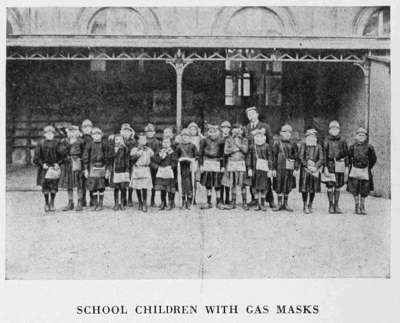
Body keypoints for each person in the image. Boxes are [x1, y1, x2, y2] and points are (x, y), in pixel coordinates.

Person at [243, 106, 276, 209]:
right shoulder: (246, 128)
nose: (251, 116)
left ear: (257, 114)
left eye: (252, 114)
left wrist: (269, 157)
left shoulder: (265, 126)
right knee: (253, 178)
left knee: (266, 179)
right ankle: (255, 199)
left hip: (263, 157)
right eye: (249, 115)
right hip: (252, 156)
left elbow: (270, 142)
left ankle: (270, 200)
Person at [347, 127, 377, 215]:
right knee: (354, 188)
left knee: (365, 188)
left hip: (365, 170)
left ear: (366, 137)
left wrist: (368, 167)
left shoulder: (369, 147)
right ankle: (356, 206)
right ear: (356, 136)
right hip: (355, 170)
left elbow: (373, 159)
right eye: (359, 135)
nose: (361, 137)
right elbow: (348, 157)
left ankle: (362, 206)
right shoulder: (352, 147)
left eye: (363, 135)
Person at [33, 125, 63, 212]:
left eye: (51, 133)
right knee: (45, 186)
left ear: (54, 134)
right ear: (44, 134)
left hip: (54, 167)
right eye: (47, 133)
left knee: (54, 186)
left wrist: (58, 163)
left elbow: (62, 155)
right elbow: (36, 157)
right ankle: (46, 203)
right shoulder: (40, 144)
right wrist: (42, 164)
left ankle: (52, 202)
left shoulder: (57, 143)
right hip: (44, 168)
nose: (49, 135)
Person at [323, 120, 349, 214]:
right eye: (332, 128)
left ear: (339, 129)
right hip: (330, 165)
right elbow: (324, 155)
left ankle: (336, 205)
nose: (334, 130)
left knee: (338, 186)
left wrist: (346, 167)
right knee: (330, 185)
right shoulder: (326, 140)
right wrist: (325, 167)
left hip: (340, 165)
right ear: (329, 130)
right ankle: (330, 205)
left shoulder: (343, 140)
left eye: (336, 128)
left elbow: (347, 155)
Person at [58, 125, 85, 211]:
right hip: (67, 164)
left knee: (79, 183)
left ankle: (80, 202)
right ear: (68, 133)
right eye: (70, 131)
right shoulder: (64, 141)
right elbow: (60, 152)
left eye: (74, 131)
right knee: (68, 183)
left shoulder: (81, 142)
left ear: (77, 132)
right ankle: (70, 202)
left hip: (77, 163)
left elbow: (84, 154)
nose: (72, 133)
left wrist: (83, 165)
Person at [82, 127, 110, 211]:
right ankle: (95, 204)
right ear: (92, 136)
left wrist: (108, 169)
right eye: (94, 134)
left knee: (101, 187)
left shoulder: (105, 144)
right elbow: (85, 157)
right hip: (92, 167)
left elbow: (107, 157)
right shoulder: (89, 144)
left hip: (102, 167)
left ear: (101, 135)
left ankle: (100, 204)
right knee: (93, 186)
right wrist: (86, 169)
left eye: (98, 134)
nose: (97, 136)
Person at [272, 124, 299, 212]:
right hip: (279, 169)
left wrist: (296, 168)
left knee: (288, 185)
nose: (287, 134)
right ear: (281, 133)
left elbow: (296, 157)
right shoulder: (277, 143)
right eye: (285, 132)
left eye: (289, 132)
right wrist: (273, 169)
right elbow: (273, 157)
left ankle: (286, 203)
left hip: (289, 169)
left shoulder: (293, 144)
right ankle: (279, 203)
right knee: (278, 185)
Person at [223, 123, 249, 210]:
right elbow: (226, 151)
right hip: (232, 163)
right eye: (235, 129)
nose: (237, 131)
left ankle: (244, 202)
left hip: (241, 163)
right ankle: (233, 202)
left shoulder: (244, 140)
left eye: (239, 129)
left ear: (241, 130)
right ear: (232, 130)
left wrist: (238, 145)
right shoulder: (229, 140)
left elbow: (245, 150)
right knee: (233, 183)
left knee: (243, 184)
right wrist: (234, 149)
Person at [246, 128, 273, 211]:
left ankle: (262, 204)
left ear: (264, 136)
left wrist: (270, 169)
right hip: (255, 170)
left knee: (264, 187)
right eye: (257, 135)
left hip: (264, 170)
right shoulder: (252, 147)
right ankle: (257, 204)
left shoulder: (267, 146)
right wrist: (249, 168)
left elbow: (270, 157)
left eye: (261, 135)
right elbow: (249, 158)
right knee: (255, 187)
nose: (259, 137)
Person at [199, 124, 225, 209]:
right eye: (211, 132)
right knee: (208, 184)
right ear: (208, 132)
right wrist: (201, 165)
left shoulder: (221, 141)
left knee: (217, 184)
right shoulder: (204, 140)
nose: (213, 134)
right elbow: (200, 154)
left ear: (218, 132)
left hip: (216, 163)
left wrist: (223, 166)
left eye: (215, 132)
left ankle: (218, 202)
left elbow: (222, 155)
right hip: (207, 163)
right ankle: (208, 202)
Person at [298, 128, 323, 214]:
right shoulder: (303, 145)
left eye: (313, 136)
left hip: (315, 170)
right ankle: (304, 204)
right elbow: (301, 157)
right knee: (304, 188)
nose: (312, 138)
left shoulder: (319, 147)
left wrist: (316, 166)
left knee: (313, 188)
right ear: (306, 137)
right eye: (309, 136)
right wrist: (306, 165)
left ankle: (310, 204)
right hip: (305, 170)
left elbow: (321, 158)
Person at [130, 133, 154, 212]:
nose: (143, 141)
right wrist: (137, 155)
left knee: (144, 187)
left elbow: (153, 157)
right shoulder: (134, 149)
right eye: (141, 139)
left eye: (144, 139)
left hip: (145, 169)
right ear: (138, 141)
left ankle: (144, 203)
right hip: (137, 169)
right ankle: (140, 202)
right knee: (138, 187)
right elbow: (131, 160)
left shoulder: (149, 150)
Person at [175, 128, 198, 209]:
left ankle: (189, 200)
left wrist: (192, 160)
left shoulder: (192, 146)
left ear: (190, 137)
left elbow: (196, 156)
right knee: (182, 183)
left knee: (190, 183)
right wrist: (179, 159)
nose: (185, 138)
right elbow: (176, 156)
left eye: (187, 136)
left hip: (190, 168)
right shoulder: (179, 146)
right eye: (183, 136)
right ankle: (183, 200)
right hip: (181, 167)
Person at [154, 137, 177, 210]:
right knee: (162, 188)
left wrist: (171, 166)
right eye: (164, 142)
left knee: (170, 188)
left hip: (169, 171)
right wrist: (161, 157)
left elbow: (175, 162)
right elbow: (156, 160)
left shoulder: (172, 152)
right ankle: (163, 202)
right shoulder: (160, 151)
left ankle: (171, 202)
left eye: (167, 142)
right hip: (161, 171)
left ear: (170, 143)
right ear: (162, 143)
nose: (166, 144)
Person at [109, 134, 130, 211]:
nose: (118, 141)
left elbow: (127, 159)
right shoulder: (112, 149)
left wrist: (127, 170)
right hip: (115, 170)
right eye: (116, 139)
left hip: (123, 170)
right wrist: (115, 150)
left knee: (123, 188)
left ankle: (122, 203)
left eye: (120, 139)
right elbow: (110, 157)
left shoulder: (125, 149)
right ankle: (116, 204)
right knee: (116, 188)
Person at [120, 123, 137, 207]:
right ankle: (123, 199)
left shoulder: (133, 141)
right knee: (123, 181)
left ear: (131, 132)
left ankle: (130, 198)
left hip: (130, 163)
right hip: (121, 164)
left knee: (130, 181)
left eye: (128, 131)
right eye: (124, 130)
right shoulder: (118, 140)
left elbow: (133, 153)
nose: (126, 132)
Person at [144, 123, 161, 207]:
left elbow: (157, 155)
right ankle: (143, 201)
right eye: (148, 131)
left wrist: (152, 162)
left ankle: (152, 200)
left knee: (153, 184)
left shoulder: (157, 142)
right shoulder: (143, 141)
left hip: (153, 164)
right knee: (143, 183)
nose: (149, 133)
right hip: (144, 165)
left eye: (151, 131)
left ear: (154, 132)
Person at [80, 119, 94, 207]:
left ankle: (92, 199)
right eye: (85, 127)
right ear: (82, 129)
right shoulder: (80, 140)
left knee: (92, 181)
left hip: (91, 163)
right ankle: (83, 200)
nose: (87, 128)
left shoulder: (95, 139)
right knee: (81, 182)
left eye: (89, 126)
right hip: (82, 163)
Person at [220, 120, 232, 207]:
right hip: (220, 161)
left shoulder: (231, 138)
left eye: (227, 128)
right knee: (220, 180)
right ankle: (220, 198)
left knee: (227, 180)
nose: (226, 129)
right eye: (224, 127)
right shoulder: (219, 138)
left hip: (228, 161)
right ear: (221, 129)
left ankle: (227, 198)